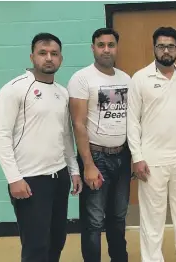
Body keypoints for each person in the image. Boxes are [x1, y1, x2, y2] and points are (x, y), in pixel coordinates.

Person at [0, 32, 82, 262]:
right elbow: (1, 136)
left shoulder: (62, 93)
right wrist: (14, 178)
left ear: (61, 58)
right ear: (32, 56)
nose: (49, 58)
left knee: (56, 240)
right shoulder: (14, 89)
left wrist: (73, 170)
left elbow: (66, 136)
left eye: (54, 53)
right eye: (43, 53)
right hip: (30, 180)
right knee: (36, 246)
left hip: (59, 177)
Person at [127, 26, 176, 262]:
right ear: (154, 48)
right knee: (152, 220)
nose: (166, 51)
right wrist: (137, 157)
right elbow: (132, 122)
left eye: (170, 46)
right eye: (161, 46)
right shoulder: (140, 78)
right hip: (151, 162)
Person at [67, 28, 132, 262]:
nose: (106, 49)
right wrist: (88, 164)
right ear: (93, 48)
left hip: (123, 158)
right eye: (101, 45)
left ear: (117, 47)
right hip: (96, 158)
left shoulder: (126, 79)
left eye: (111, 44)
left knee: (118, 217)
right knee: (93, 222)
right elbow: (78, 123)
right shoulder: (82, 79)